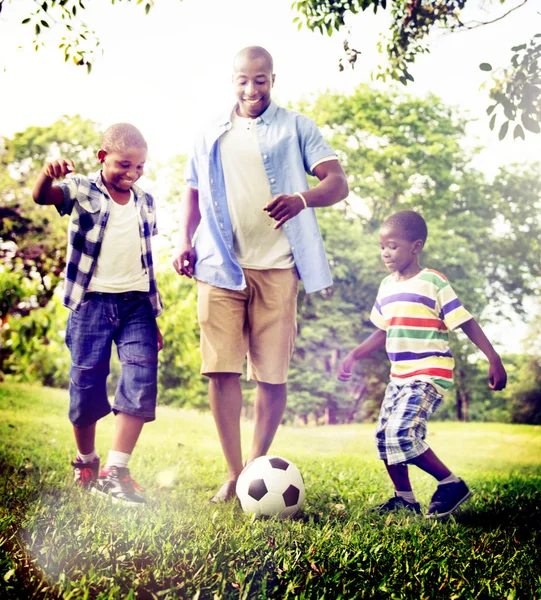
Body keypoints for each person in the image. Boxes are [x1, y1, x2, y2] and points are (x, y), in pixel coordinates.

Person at [173, 46, 349, 502]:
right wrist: (182, 243)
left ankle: (256, 465)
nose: (251, 89)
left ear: (273, 78)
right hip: (219, 265)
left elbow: (337, 182)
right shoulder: (210, 131)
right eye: (243, 80)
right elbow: (192, 193)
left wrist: (302, 199)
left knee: (272, 375)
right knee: (221, 371)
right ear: (232, 79)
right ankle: (234, 472)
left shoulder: (296, 127)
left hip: (279, 268)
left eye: (261, 80)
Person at [337, 210, 507, 518]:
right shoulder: (386, 286)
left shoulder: (433, 282)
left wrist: (493, 357)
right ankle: (405, 498)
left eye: (393, 245)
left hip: (428, 373)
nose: (385, 253)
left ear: (416, 247)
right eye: (382, 246)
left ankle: (451, 483)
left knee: (403, 433)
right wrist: (354, 355)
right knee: (384, 437)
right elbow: (383, 330)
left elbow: (464, 320)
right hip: (399, 377)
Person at [32, 123, 163, 506]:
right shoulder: (82, 189)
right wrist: (47, 175)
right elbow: (44, 197)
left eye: (139, 167)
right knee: (87, 384)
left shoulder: (145, 201)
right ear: (102, 157)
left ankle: (116, 472)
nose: (132, 174)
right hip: (91, 304)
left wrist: (153, 316)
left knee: (142, 376)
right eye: (124, 165)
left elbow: (145, 262)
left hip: (137, 304)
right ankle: (87, 460)